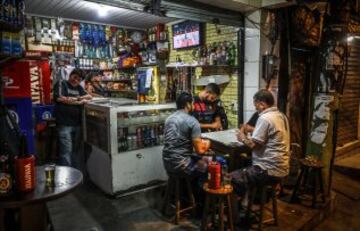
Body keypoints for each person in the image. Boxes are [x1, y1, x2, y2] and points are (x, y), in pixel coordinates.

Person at [231, 89, 290, 200]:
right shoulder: (281, 116)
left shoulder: (265, 118)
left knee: (231, 178)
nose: (256, 109)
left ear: (262, 104)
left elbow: (253, 145)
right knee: (241, 162)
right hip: (282, 168)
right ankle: (246, 200)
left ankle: (238, 212)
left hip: (267, 170)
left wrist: (242, 138)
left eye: (256, 106)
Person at [162, 92, 211, 176]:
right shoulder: (192, 121)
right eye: (192, 103)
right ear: (188, 104)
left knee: (197, 158)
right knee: (209, 167)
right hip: (181, 165)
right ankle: (197, 188)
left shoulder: (169, 119)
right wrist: (208, 143)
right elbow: (200, 150)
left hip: (167, 162)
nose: (194, 106)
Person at [54, 69, 92, 167]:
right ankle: (67, 177)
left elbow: (89, 97)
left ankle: (75, 173)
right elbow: (60, 98)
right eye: (74, 77)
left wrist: (77, 98)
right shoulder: (62, 83)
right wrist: (78, 102)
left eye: (79, 79)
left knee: (76, 151)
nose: (76, 81)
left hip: (77, 124)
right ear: (70, 75)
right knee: (66, 151)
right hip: (64, 124)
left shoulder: (79, 87)